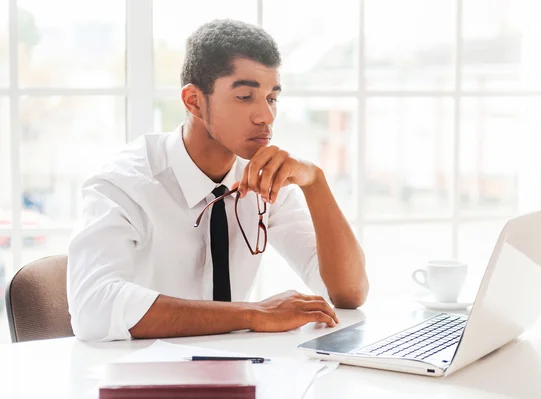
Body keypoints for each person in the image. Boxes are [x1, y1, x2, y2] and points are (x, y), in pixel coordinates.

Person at [67, 19, 368, 342]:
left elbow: (348, 293)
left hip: (239, 375)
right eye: (244, 97)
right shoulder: (123, 184)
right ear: (193, 100)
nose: (265, 116)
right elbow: (93, 309)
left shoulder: (264, 177)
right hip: (143, 380)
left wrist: (315, 182)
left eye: (271, 98)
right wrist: (253, 314)